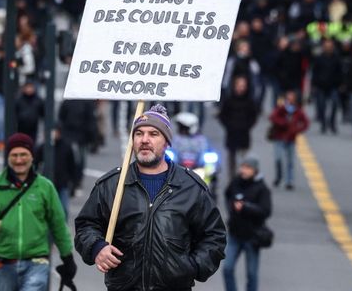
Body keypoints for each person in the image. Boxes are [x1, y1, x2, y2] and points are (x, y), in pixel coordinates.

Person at [74, 104, 226, 291]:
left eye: (153, 134)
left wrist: (191, 267)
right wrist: (97, 247)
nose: (145, 140)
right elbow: (86, 226)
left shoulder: (190, 187)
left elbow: (214, 236)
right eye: (139, 134)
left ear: (167, 142)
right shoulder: (113, 185)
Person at [0, 133, 77, 291]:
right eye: (14, 155)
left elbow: (58, 224)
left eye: (23, 155)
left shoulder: (44, 186)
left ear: (32, 157)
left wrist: (67, 257)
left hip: (37, 262)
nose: (19, 160)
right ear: (8, 157)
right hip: (3, 263)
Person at [222, 154, 272, 291]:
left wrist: (246, 207)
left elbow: (266, 211)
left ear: (255, 170)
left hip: (252, 236)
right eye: (242, 167)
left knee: (251, 274)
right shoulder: (235, 182)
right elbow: (227, 195)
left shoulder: (262, 189)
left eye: (248, 167)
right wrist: (231, 210)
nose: (244, 170)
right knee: (227, 268)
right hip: (234, 234)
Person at [34, 124, 77, 219]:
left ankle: (62, 228)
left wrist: (73, 183)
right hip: (47, 183)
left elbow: (72, 166)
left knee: (63, 209)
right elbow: (36, 162)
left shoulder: (66, 147)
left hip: (62, 183)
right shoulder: (43, 147)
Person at [219, 76, 259, 178]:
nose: (241, 88)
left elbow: (253, 116)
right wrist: (229, 125)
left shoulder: (249, 101)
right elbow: (223, 115)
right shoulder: (229, 100)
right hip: (231, 133)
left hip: (244, 133)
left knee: (244, 158)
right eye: (239, 86)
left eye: (243, 86)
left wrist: (247, 125)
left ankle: (244, 177)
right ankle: (232, 178)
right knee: (231, 159)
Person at [268, 91, 309, 190]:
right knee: (278, 158)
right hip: (279, 137)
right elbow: (272, 117)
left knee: (290, 161)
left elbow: (306, 123)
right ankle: (279, 176)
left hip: (291, 138)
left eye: (292, 99)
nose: (290, 101)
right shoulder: (281, 109)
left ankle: (289, 181)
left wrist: (297, 129)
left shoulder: (298, 111)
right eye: (288, 99)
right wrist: (283, 123)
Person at [311, 38, 341, 135]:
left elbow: (340, 72)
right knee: (321, 106)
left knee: (335, 104)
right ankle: (323, 124)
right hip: (321, 86)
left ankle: (332, 123)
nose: (328, 48)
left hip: (333, 86)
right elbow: (314, 72)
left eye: (330, 46)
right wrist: (313, 85)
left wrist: (341, 83)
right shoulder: (319, 58)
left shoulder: (336, 58)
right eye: (326, 46)